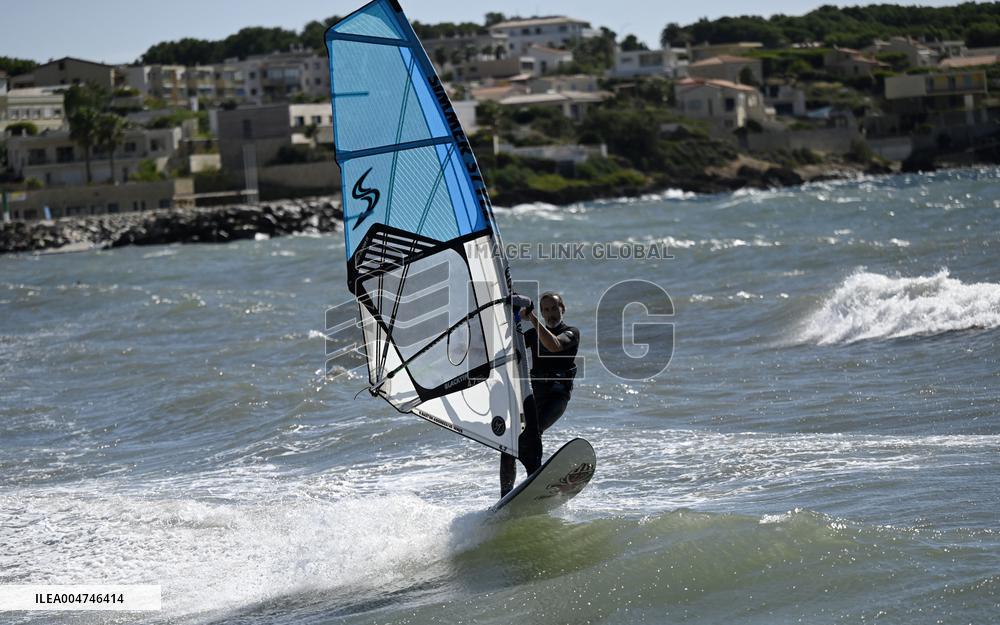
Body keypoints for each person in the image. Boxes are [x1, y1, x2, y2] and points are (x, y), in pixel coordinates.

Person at [500, 291, 581, 497]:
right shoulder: (535, 333)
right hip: (536, 395)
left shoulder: (571, 332)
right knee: (509, 443)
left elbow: (554, 345)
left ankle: (533, 483)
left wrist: (532, 318)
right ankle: (506, 496)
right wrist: (512, 315)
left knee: (532, 433)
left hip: (557, 397)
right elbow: (508, 347)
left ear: (562, 309)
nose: (551, 313)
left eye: (554, 308)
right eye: (546, 309)